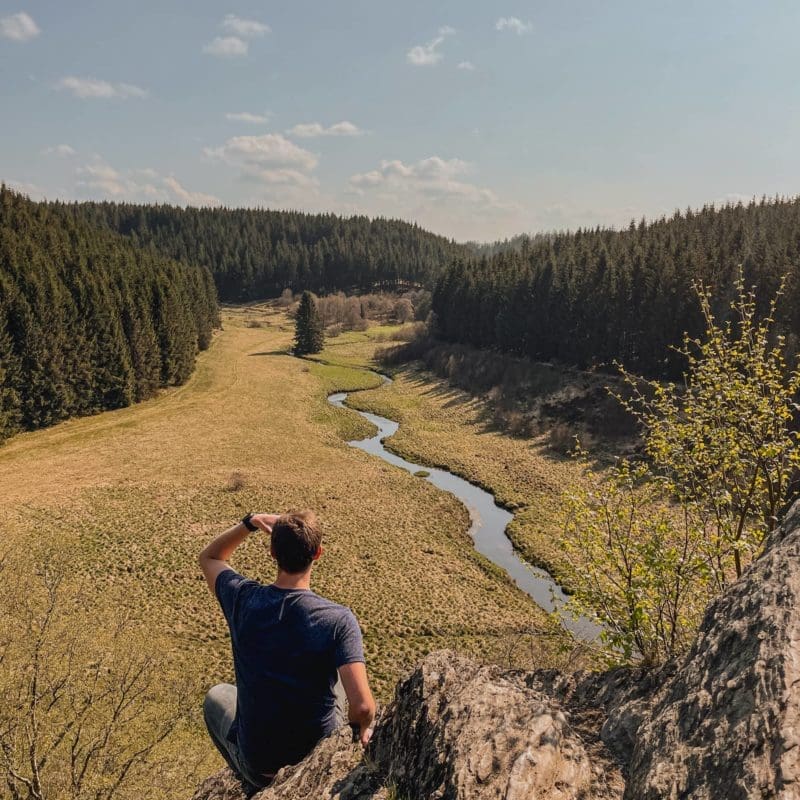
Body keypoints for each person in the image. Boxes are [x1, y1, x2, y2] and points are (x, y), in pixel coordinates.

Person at [198, 510, 376, 790]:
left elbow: (210, 557)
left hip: (260, 766)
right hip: (316, 761)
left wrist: (250, 523)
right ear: (318, 553)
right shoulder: (338, 620)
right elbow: (364, 707)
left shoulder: (243, 599)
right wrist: (360, 728)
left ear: (272, 553)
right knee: (343, 673)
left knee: (215, 697)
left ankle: (253, 783)